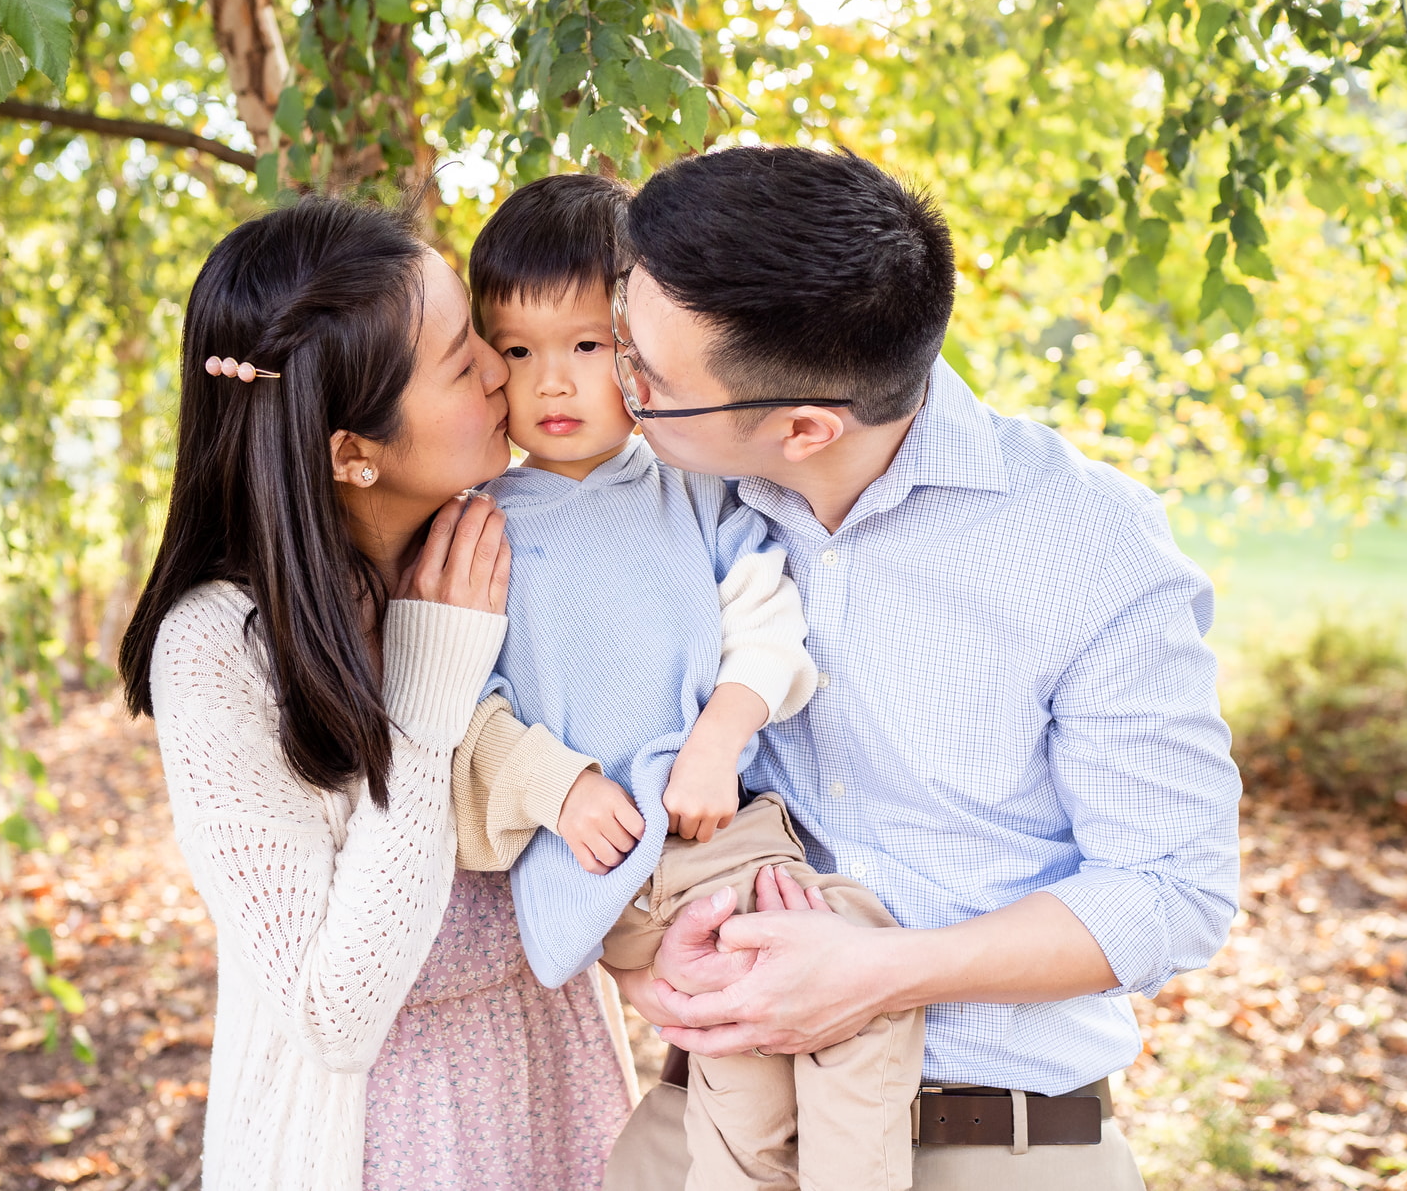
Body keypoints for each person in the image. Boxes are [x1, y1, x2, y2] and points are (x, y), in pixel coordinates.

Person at [600, 146, 1243, 1190]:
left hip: (995, 1144)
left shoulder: (1090, 547)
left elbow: (1169, 890)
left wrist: (881, 975)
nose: (616, 389)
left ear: (802, 428)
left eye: (650, 382)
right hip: (708, 1124)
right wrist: (635, 959)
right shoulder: (661, 505)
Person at [115, 197, 631, 1191]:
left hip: (555, 1081)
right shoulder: (220, 650)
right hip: (376, 1137)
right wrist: (430, 691)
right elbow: (335, 1014)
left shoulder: (503, 535)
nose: (499, 368)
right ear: (351, 450)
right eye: (458, 359)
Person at [444, 173, 925, 1191]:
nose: (553, 386)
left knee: (859, 999)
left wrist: (716, 737)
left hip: (719, 832)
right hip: (607, 866)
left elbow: (765, 622)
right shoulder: (473, 521)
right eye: (518, 353)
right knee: (746, 1073)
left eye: (586, 348)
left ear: (639, 353)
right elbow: (461, 707)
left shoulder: (692, 491)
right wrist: (557, 786)